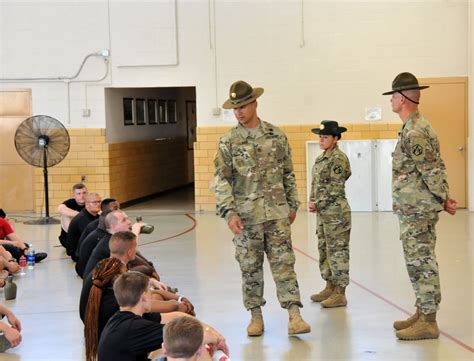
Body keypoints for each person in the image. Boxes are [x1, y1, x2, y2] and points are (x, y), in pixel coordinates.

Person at [214, 80, 310, 336]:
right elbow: (222, 180)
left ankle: (294, 315)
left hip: (277, 214)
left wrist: (293, 203)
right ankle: (255, 316)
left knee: (284, 264)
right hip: (246, 218)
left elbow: (288, 172)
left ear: (255, 103)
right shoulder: (229, 142)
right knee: (250, 268)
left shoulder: (276, 135)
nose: (239, 112)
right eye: (235, 108)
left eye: (243, 106)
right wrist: (229, 213)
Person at [383, 72, 457, 340]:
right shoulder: (414, 126)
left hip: (418, 209)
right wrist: (442, 197)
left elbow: (430, 169)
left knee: (421, 261)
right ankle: (422, 310)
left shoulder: (414, 130)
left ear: (402, 99)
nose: (390, 100)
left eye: (392, 96)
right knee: (418, 261)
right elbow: (434, 167)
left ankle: (428, 320)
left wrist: (443, 198)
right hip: (414, 207)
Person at [80, 231, 196, 357]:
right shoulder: (118, 291)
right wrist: (181, 306)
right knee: (180, 334)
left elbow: (152, 295)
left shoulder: (105, 269)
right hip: (119, 336)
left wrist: (178, 298)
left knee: (159, 298)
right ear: (130, 252)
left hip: (105, 332)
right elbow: (162, 305)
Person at [97, 272, 228, 361]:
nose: (152, 294)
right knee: (196, 349)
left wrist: (212, 331)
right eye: (150, 291)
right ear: (143, 296)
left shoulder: (123, 317)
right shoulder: (134, 328)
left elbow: (177, 316)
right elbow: (187, 338)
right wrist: (215, 338)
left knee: (166, 347)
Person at [308, 120, 351, 308]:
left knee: (338, 252)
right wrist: (313, 200)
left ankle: (340, 293)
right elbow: (316, 184)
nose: (321, 139)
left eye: (325, 137)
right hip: (323, 213)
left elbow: (336, 186)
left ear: (335, 139)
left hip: (336, 213)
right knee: (325, 249)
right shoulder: (321, 158)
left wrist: (318, 203)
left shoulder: (338, 159)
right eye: (320, 136)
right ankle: (330, 286)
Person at [83, 210, 156, 279]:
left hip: (109, 277)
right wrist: (135, 232)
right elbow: (129, 249)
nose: (129, 222)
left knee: (145, 268)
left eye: (128, 219)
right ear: (113, 226)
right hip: (98, 285)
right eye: (124, 220)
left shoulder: (116, 239)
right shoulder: (109, 243)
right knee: (144, 271)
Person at [66, 193, 101, 261]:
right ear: (87, 204)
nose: (98, 204)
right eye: (94, 202)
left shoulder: (95, 216)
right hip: (78, 254)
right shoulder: (82, 218)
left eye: (99, 201)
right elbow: (93, 238)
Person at [58, 183, 88, 248]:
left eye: (84, 193)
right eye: (78, 194)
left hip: (85, 236)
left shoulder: (90, 203)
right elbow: (60, 208)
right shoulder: (70, 203)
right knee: (65, 215)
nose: (82, 196)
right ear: (74, 195)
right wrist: (82, 216)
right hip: (68, 238)